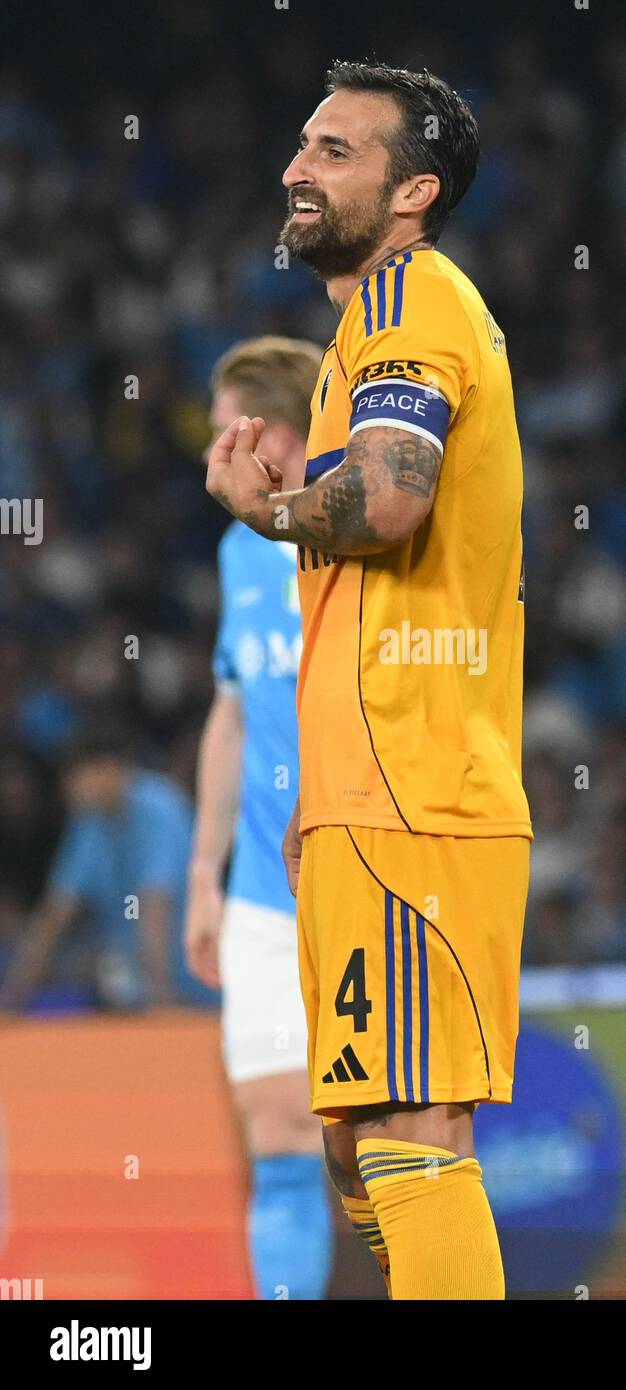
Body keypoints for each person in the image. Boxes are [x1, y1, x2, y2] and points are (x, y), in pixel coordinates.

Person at [206, 61, 532, 1301]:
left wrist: (268, 507)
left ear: (414, 193)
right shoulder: (366, 323)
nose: (297, 167)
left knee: (412, 1130)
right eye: (302, 143)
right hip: (362, 795)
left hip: (415, 786)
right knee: (354, 1135)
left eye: (336, 152)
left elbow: (389, 501)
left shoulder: (409, 296)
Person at [185, 336, 333, 1300]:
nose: (208, 457)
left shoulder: (363, 530)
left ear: (267, 431)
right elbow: (233, 712)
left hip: (370, 876)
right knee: (279, 1136)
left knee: (391, 1143)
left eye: (218, 433)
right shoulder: (240, 551)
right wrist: (205, 875)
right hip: (261, 895)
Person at [0, 727, 210, 1011]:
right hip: (138, 993)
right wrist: (12, 998)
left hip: (190, 989)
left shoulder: (161, 811)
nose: (72, 787)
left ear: (112, 768)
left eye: (80, 775)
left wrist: (161, 1003)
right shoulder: (90, 821)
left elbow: (154, 910)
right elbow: (55, 915)